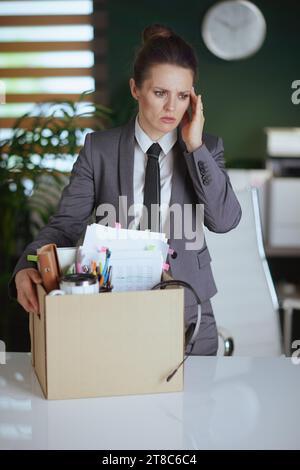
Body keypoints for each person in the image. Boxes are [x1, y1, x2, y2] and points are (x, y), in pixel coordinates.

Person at [10, 24, 242, 355]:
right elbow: (64, 225)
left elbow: (224, 220)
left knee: (196, 404)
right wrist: (25, 265)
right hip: (115, 309)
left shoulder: (206, 148)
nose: (171, 108)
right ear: (136, 89)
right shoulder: (99, 149)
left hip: (189, 313)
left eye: (182, 95)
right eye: (160, 93)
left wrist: (195, 146)